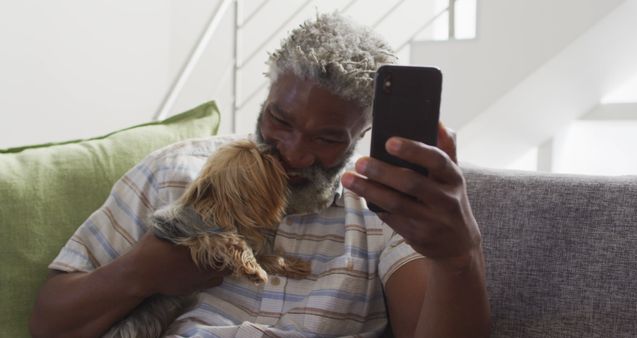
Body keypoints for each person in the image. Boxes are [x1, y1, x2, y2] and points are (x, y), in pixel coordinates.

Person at [30, 12, 490, 338]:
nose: (293, 153)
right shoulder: (176, 171)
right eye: (280, 121)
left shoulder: (384, 216)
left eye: (326, 139)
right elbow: (49, 324)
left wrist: (458, 256)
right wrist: (140, 273)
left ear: (362, 133)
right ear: (266, 94)